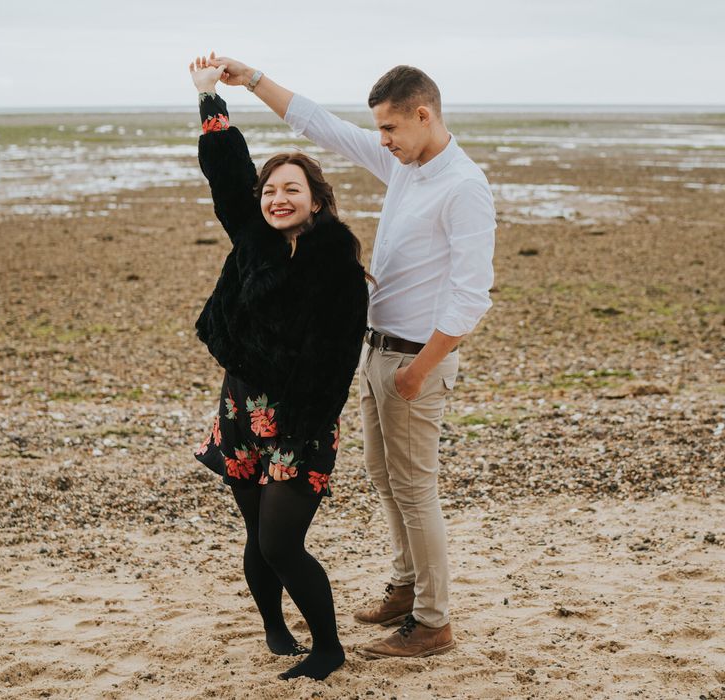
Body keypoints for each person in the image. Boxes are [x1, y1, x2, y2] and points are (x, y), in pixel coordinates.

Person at [206, 55, 496, 658]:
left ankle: (433, 621)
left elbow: (472, 295)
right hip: (377, 353)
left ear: (423, 115)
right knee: (385, 481)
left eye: (390, 129)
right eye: (379, 131)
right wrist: (253, 81)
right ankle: (405, 587)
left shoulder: (463, 185)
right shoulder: (408, 166)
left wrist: (420, 370)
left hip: (416, 359)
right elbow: (321, 126)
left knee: (416, 489)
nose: (382, 141)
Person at [188, 54, 369, 681]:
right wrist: (210, 99)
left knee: (279, 541)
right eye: (271, 190)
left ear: (317, 201)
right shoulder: (253, 241)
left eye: (292, 188)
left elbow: (339, 363)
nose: (276, 197)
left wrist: (301, 424)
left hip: (301, 420)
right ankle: (274, 625)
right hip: (241, 409)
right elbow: (228, 176)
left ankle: (329, 647)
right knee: (254, 533)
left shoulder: (339, 272)